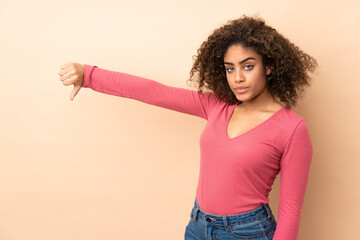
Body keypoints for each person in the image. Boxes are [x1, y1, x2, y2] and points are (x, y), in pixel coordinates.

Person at [58, 15, 317, 240]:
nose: (237, 77)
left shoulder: (292, 128)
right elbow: (154, 92)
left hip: (248, 232)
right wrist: (88, 75)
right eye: (230, 69)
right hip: (198, 226)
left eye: (248, 66)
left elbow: (290, 212)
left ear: (269, 66)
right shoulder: (216, 106)